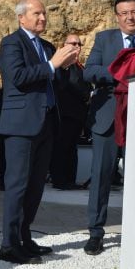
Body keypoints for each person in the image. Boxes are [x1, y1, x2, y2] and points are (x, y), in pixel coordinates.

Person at [0, 0, 78, 264]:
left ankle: (24, 237)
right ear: (22, 18)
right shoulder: (12, 43)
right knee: (18, 186)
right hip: (21, 125)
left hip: (46, 124)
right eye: (37, 13)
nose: (43, 18)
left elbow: (57, 84)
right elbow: (17, 78)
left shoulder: (46, 46)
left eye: (45, 13)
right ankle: (9, 245)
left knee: (35, 187)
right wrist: (52, 65)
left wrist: (65, 67)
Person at [83, 0, 135, 256]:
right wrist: (117, 71)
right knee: (100, 178)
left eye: (134, 12)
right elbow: (89, 71)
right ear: (117, 16)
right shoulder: (104, 39)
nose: (130, 18)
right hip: (107, 120)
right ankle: (96, 233)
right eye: (124, 13)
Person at [50, 34, 92, 190]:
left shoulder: (79, 66)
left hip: (77, 115)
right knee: (63, 147)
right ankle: (61, 180)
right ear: (64, 45)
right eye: (72, 43)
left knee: (71, 148)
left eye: (79, 44)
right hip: (66, 114)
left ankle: (69, 179)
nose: (76, 46)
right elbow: (71, 84)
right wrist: (87, 95)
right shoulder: (63, 64)